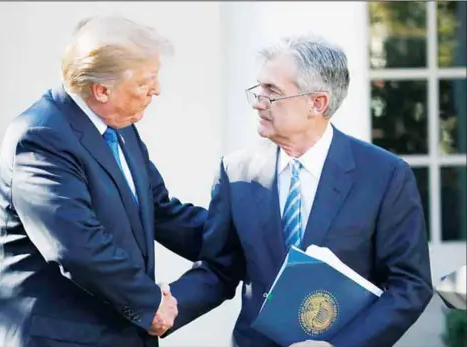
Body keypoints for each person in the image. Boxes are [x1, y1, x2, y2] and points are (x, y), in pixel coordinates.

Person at [158, 35, 434, 347]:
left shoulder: (384, 175)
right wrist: (161, 307)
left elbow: (410, 284)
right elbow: (219, 269)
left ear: (317, 103)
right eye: (258, 88)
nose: (257, 101)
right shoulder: (235, 172)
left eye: (272, 92)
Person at [0, 15, 207, 347]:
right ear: (102, 90)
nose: (157, 91)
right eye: (145, 82)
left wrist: (241, 236)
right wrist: (150, 303)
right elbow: (78, 246)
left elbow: (162, 212)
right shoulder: (40, 137)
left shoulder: (121, 129)